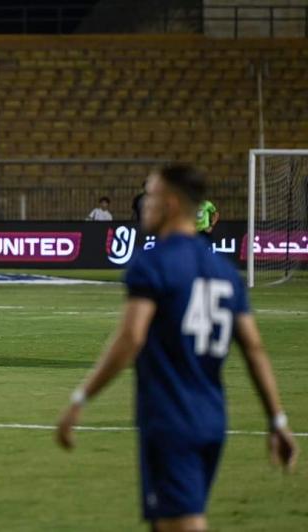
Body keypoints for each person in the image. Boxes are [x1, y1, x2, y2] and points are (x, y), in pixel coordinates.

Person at [55, 164, 299, 532]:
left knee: (183, 523)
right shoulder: (224, 270)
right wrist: (277, 420)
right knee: (167, 521)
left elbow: (131, 337)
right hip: (212, 417)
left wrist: (81, 398)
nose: (143, 205)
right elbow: (254, 348)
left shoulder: (153, 262)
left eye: (150, 196)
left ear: (168, 204)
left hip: (170, 417)